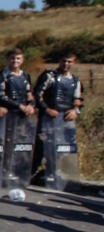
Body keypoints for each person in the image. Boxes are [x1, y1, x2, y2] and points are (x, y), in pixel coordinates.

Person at [32, 52, 82, 185]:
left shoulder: (75, 80)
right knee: (43, 148)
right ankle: (34, 174)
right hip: (48, 119)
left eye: (69, 62)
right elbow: (37, 95)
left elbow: (78, 100)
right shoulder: (49, 76)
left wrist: (75, 111)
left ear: (73, 63)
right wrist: (47, 109)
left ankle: (59, 175)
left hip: (65, 120)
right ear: (59, 61)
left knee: (63, 149)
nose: (66, 64)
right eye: (64, 61)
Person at [0, 47, 36, 117]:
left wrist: (31, 106)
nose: (15, 61)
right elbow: (0, 95)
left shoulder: (25, 75)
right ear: (7, 59)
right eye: (12, 58)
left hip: (23, 113)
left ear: (22, 60)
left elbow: (29, 94)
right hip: (7, 113)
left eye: (18, 58)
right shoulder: (1, 75)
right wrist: (19, 106)